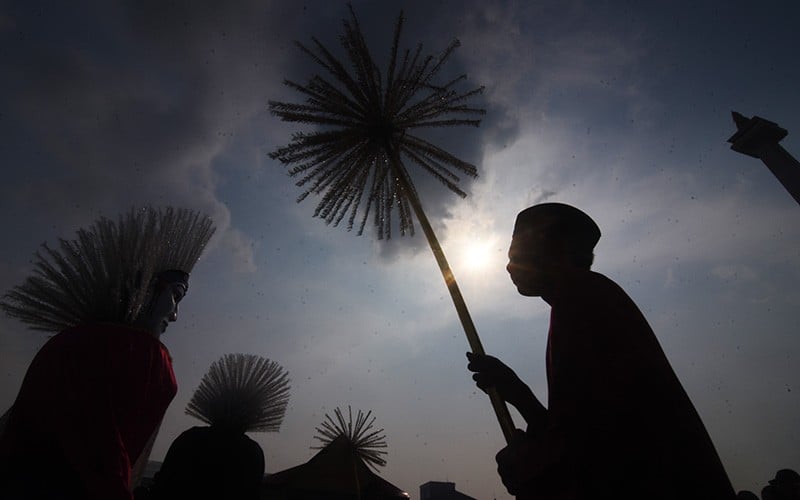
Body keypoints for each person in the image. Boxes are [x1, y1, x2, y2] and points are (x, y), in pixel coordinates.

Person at [467, 202, 736, 499]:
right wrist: (518, 393)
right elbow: (582, 423)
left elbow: (595, 445)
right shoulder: (583, 299)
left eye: (518, 254)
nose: (508, 265)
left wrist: (528, 462)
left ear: (558, 249)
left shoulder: (580, 300)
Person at [0, 207, 214, 500]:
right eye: (175, 296)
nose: (175, 315)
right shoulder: (135, 351)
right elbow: (103, 455)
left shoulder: (70, 340)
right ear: (147, 289)